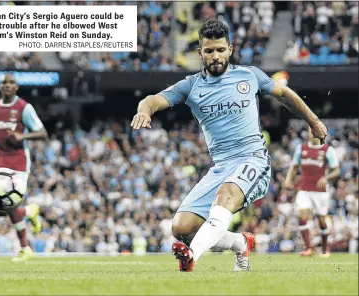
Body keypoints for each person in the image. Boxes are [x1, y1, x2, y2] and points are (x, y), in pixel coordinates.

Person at [131, 19, 327, 272]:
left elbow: (285, 94)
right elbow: (152, 100)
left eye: (220, 50)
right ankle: (240, 243)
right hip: (221, 166)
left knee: (224, 197)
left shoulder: (250, 75)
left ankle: (191, 257)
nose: (215, 56)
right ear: (200, 52)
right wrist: (144, 112)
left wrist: (313, 121)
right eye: (209, 51)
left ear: (230, 49)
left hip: (252, 159)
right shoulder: (191, 86)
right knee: (182, 227)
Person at [0, 73, 48, 262]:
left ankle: (25, 248)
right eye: (5, 82)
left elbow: (42, 133)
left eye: (11, 83)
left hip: (19, 161)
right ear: (0, 86)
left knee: (11, 205)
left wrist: (23, 137)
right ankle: (30, 211)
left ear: (16, 87)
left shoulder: (24, 108)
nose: (8, 85)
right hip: (0, 161)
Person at [284, 126, 340, 258]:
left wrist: (326, 177)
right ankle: (309, 247)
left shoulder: (328, 150)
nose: (311, 133)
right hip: (304, 189)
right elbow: (294, 166)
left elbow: (336, 170)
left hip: (320, 192)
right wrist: (288, 180)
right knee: (302, 214)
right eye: (310, 131)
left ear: (320, 133)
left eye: (314, 131)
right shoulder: (301, 148)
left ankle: (325, 249)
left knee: (321, 220)